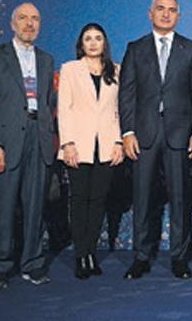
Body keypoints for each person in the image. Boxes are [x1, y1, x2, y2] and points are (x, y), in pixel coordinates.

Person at [119, 0, 192, 280]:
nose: (166, 14)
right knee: (142, 197)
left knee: (180, 198)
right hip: (143, 133)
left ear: (178, 15)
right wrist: (127, 132)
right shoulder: (135, 48)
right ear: (150, 13)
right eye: (160, 9)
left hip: (180, 133)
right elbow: (127, 93)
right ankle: (141, 258)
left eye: (171, 10)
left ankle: (180, 258)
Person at [0, 2, 56, 289]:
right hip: (7, 140)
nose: (29, 23)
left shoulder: (46, 60)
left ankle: (32, 263)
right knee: (2, 205)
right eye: (23, 18)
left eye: (35, 18)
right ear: (12, 24)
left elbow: (47, 102)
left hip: (39, 137)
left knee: (35, 206)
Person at [57, 23, 124, 279]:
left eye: (98, 38)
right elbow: (64, 108)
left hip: (106, 146)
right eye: (88, 38)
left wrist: (118, 142)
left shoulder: (115, 70)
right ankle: (80, 255)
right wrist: (67, 143)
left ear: (104, 43)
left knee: (98, 201)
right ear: (81, 44)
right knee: (79, 200)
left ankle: (91, 253)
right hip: (78, 145)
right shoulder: (70, 69)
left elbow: (119, 110)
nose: (93, 43)